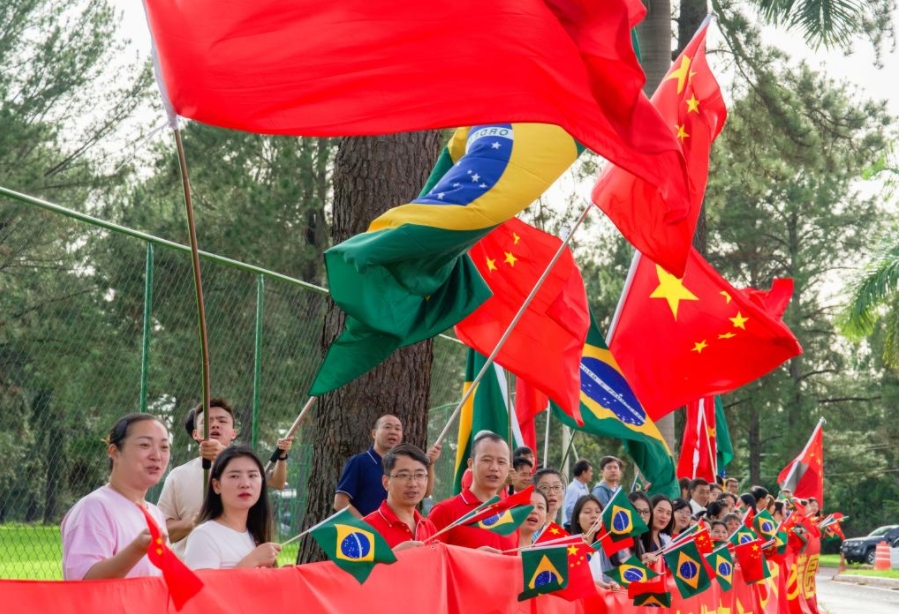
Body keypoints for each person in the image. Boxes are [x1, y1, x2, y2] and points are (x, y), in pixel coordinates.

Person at [157, 398, 292, 557]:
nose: (215, 424)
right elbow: (162, 532)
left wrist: (282, 457)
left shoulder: (246, 467)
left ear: (233, 432)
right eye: (207, 422)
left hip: (241, 566)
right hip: (190, 570)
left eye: (222, 420)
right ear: (195, 434)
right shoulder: (178, 475)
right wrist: (192, 523)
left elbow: (277, 481)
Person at [62, 413, 171, 580]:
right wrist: (136, 549)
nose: (156, 455)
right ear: (114, 452)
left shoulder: (155, 513)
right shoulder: (94, 508)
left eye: (164, 447)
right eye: (144, 445)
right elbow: (83, 581)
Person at [183, 446, 281, 569]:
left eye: (252, 475)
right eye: (234, 476)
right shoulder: (204, 536)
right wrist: (252, 561)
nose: (245, 484)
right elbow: (205, 588)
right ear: (216, 485)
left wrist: (278, 577)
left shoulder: (255, 535)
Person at [334, 414, 441, 517]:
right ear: (374, 434)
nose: (393, 432)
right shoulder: (359, 462)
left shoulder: (403, 464)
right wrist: (367, 529)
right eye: (387, 427)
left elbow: (426, 493)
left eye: (398, 429)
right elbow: (340, 502)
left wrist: (430, 464)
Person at [429, 431, 516, 552]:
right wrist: (472, 559)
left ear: (508, 468)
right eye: (486, 460)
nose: (494, 468)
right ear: (471, 464)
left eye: (501, 462)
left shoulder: (512, 514)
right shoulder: (444, 511)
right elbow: (430, 560)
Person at [363, 444, 436, 550]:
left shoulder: (428, 527)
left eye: (420, 475)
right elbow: (347, 567)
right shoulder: (365, 529)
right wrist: (394, 558)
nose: (413, 484)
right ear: (386, 482)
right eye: (403, 475)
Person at [570, 494, 617, 590]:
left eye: (598, 512)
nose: (594, 516)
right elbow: (570, 581)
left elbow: (608, 579)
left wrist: (613, 585)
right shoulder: (570, 547)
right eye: (587, 512)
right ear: (577, 519)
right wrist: (593, 584)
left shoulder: (603, 547)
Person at [611, 492, 650, 566]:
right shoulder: (608, 544)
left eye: (646, 512)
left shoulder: (637, 541)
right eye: (637, 512)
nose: (642, 516)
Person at [533, 467, 567, 532]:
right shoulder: (529, 530)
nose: (552, 493)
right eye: (545, 487)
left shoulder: (561, 534)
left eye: (557, 487)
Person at [562, 459, 592, 531]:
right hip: (572, 528)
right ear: (583, 473)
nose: (591, 474)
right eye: (590, 471)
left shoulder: (584, 487)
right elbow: (569, 510)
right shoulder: (573, 488)